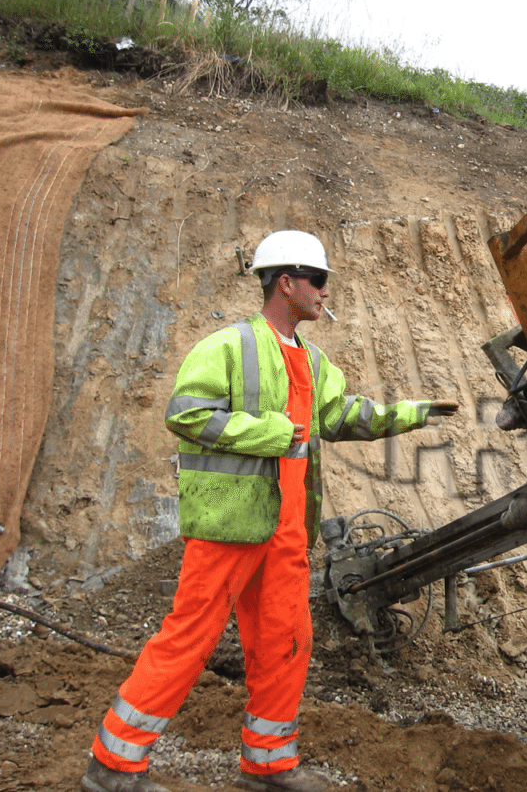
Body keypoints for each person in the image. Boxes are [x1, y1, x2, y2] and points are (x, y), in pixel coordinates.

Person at [82, 230, 459, 792]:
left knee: (286, 643)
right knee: (189, 637)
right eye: (320, 280)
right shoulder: (227, 347)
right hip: (229, 528)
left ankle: (269, 767)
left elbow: (341, 416)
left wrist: (412, 414)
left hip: (285, 534)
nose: (326, 291)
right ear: (286, 282)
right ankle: (112, 766)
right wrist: (273, 433)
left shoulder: (312, 359)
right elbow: (186, 414)